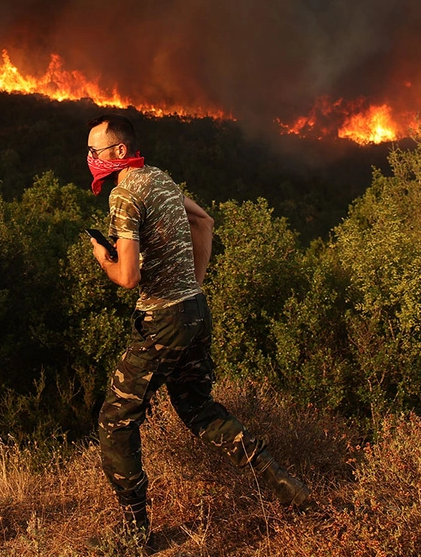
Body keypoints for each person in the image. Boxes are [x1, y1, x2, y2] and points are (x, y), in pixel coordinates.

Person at [85, 113, 309, 548]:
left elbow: (128, 276)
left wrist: (103, 258)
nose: (90, 158)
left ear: (119, 153)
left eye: (95, 150)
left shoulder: (124, 193)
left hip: (163, 320)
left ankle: (135, 536)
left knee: (115, 422)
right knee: (199, 410)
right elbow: (204, 221)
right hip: (194, 311)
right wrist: (194, 285)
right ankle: (285, 485)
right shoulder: (160, 179)